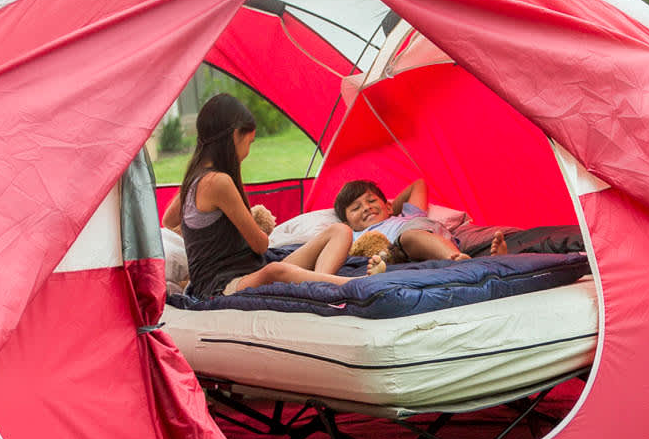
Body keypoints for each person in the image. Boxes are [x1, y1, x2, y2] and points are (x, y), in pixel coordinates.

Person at [162, 94, 352, 296]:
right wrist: (254, 223)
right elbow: (260, 244)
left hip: (250, 269)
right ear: (236, 135)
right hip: (222, 285)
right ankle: (351, 284)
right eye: (250, 142)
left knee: (340, 231)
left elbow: (168, 220)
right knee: (276, 270)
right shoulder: (217, 182)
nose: (248, 152)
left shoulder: (194, 176)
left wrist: (208, 230)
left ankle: (319, 284)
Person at [332, 177, 504, 264]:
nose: (366, 208)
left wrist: (388, 207)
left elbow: (419, 184)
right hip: (402, 250)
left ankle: (458, 259)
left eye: (371, 201)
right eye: (355, 208)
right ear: (347, 224)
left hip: (422, 232)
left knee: (410, 235)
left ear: (389, 207)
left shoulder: (406, 216)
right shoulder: (352, 236)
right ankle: (492, 261)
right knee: (408, 239)